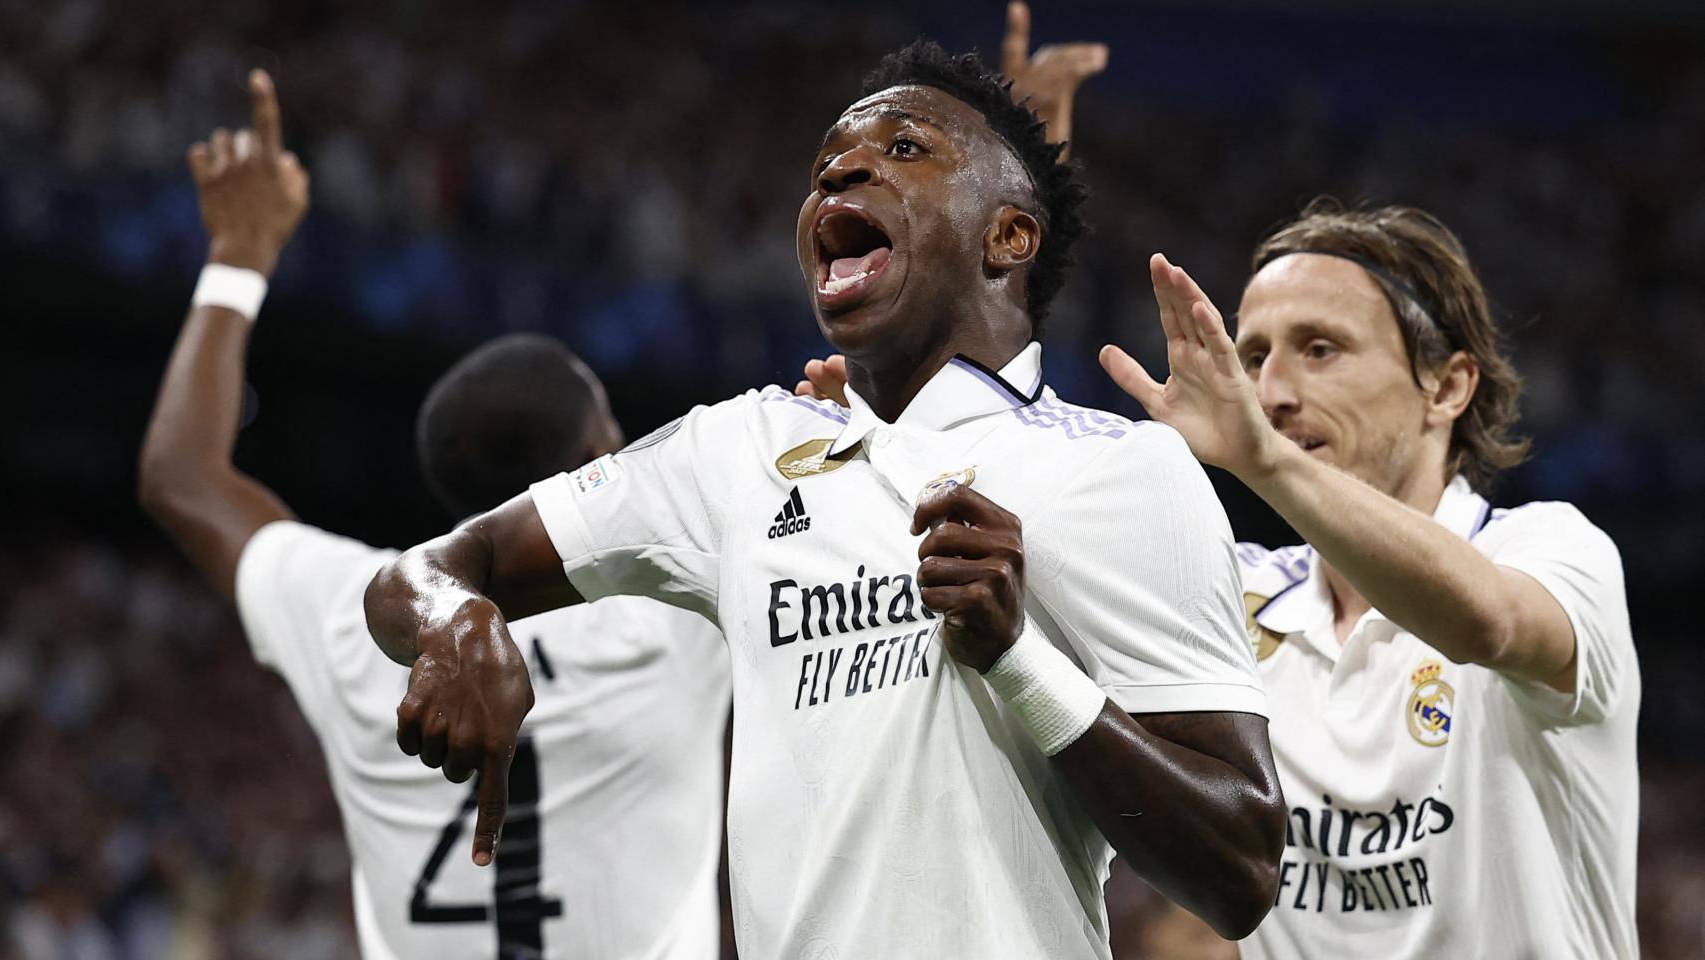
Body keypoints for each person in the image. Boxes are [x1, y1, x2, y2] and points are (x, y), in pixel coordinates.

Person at [364, 38, 1287, 960]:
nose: (843, 169)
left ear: (1009, 237)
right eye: (826, 169)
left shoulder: (1126, 473)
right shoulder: (737, 454)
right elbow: (433, 568)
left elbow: (1241, 872)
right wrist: (457, 622)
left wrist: (1018, 661)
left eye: (907, 150)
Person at [137, 70, 731, 960]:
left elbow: (182, 475)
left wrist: (238, 256)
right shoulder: (684, 606)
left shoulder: (358, 614)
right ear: (598, 468)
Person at [1097, 202, 1640, 957]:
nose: (1273, 392)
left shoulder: (1554, 550)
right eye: (1252, 359)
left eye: (1320, 349)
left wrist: (1266, 460)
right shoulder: (1232, 598)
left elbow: (1489, 623)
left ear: (1447, 387)